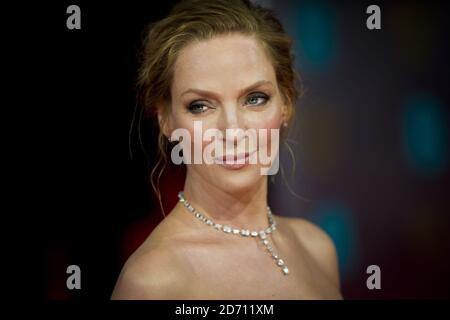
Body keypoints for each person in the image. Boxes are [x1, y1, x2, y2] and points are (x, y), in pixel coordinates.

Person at [112, 0, 342, 299]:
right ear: (165, 119)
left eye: (255, 98)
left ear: (285, 102)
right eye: (200, 106)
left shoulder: (317, 247)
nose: (232, 131)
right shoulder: (154, 281)